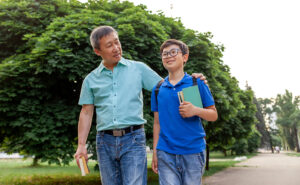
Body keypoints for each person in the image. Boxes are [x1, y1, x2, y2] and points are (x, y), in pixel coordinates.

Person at [74, 26, 207, 185]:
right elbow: (86, 112)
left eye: (117, 42)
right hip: (104, 142)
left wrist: (193, 81)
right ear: (97, 51)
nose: (116, 48)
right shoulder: (90, 80)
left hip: (133, 139)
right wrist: (81, 145)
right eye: (109, 45)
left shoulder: (138, 69)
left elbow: (167, 88)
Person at [151, 39, 218, 185]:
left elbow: (213, 114)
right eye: (165, 54)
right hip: (165, 152)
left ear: (185, 57)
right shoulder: (157, 89)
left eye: (173, 52)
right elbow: (157, 123)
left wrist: (195, 110)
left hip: (193, 151)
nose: (169, 56)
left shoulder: (196, 82)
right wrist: (155, 151)